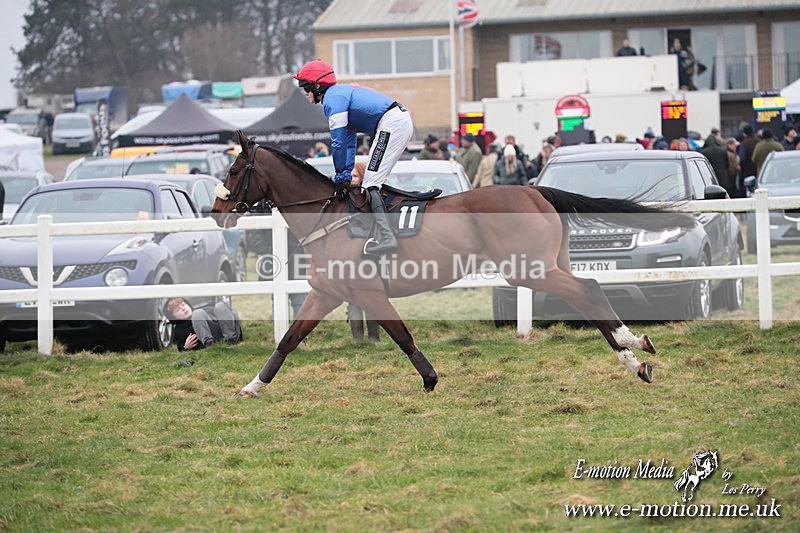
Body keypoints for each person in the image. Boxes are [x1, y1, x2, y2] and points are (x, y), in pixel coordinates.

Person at [293, 59, 413, 257]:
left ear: (316, 85)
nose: (305, 93)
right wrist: (345, 173)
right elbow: (349, 141)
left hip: (392, 123)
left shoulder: (333, 99)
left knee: (371, 183)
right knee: (373, 181)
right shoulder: (338, 95)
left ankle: (387, 236)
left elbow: (338, 142)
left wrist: (341, 176)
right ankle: (385, 231)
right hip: (394, 122)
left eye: (305, 87)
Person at [166, 297, 242, 351]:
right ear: (173, 317)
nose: (183, 309)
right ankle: (209, 344)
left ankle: (231, 339)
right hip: (212, 338)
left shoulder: (206, 310)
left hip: (227, 330)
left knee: (220, 305)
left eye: (183, 305)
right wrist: (185, 347)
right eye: (178, 310)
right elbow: (180, 343)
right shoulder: (180, 329)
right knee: (197, 314)